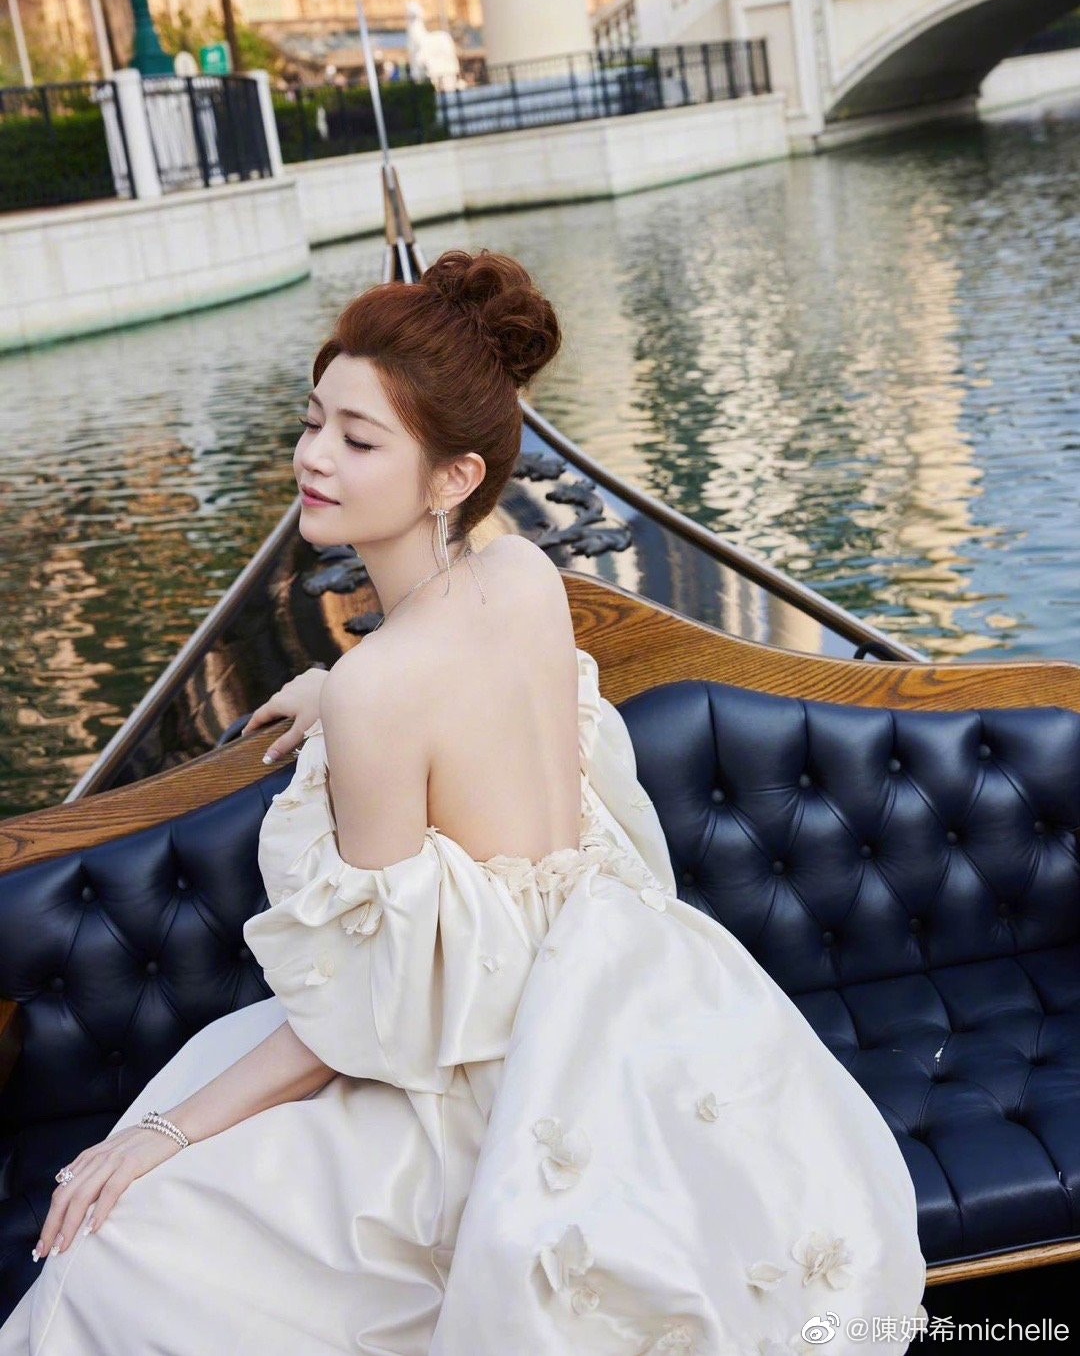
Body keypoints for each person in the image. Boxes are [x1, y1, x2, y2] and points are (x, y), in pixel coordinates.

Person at [0, 251, 927, 1356]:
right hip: (612, 987)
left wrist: (163, 1132)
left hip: (472, 1074)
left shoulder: (379, 691)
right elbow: (477, 722)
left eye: (358, 439)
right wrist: (332, 695)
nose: (313, 457)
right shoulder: (524, 575)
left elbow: (373, 1012)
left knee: (118, 1257)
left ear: (454, 477)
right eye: (312, 421)